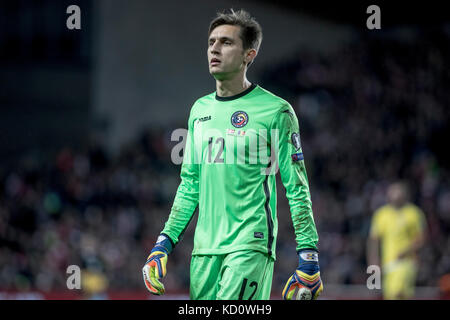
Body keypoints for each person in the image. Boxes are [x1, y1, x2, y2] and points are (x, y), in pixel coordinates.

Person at [142, 9, 322, 300]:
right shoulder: (199, 111)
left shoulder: (276, 111)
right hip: (204, 251)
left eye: (226, 42)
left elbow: (296, 186)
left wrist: (309, 255)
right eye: (211, 41)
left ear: (248, 55)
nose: (214, 48)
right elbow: (190, 185)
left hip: (250, 245)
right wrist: (163, 244)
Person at [367, 181, 426, 299]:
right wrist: (373, 260)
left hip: (407, 262)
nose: (395, 194)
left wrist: (407, 251)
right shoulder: (381, 214)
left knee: (397, 292)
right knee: (395, 296)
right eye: (392, 191)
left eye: (398, 191)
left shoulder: (414, 213)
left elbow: (421, 238)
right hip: (388, 264)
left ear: (405, 194)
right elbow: (374, 240)